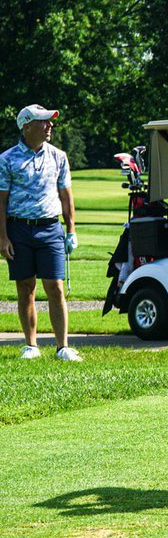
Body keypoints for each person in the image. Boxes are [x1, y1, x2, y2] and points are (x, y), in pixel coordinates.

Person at [0, 105, 81, 361]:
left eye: (49, 121)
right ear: (26, 126)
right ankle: (31, 345)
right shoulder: (6, 159)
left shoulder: (59, 156)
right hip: (18, 229)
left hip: (50, 229)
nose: (50, 126)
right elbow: (1, 201)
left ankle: (62, 347)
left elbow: (66, 197)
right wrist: (2, 237)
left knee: (55, 287)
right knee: (26, 287)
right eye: (43, 121)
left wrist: (71, 230)